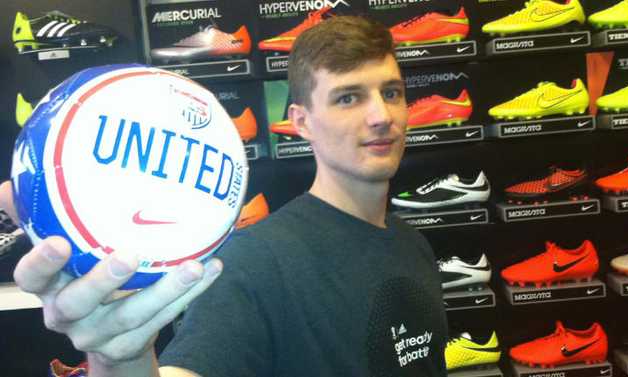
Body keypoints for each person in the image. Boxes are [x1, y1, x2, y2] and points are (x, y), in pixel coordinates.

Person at [3, 15, 448, 377]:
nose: (380, 116)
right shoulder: (254, 262)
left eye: (392, 93)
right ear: (301, 121)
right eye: (348, 98)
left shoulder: (414, 244)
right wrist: (122, 359)